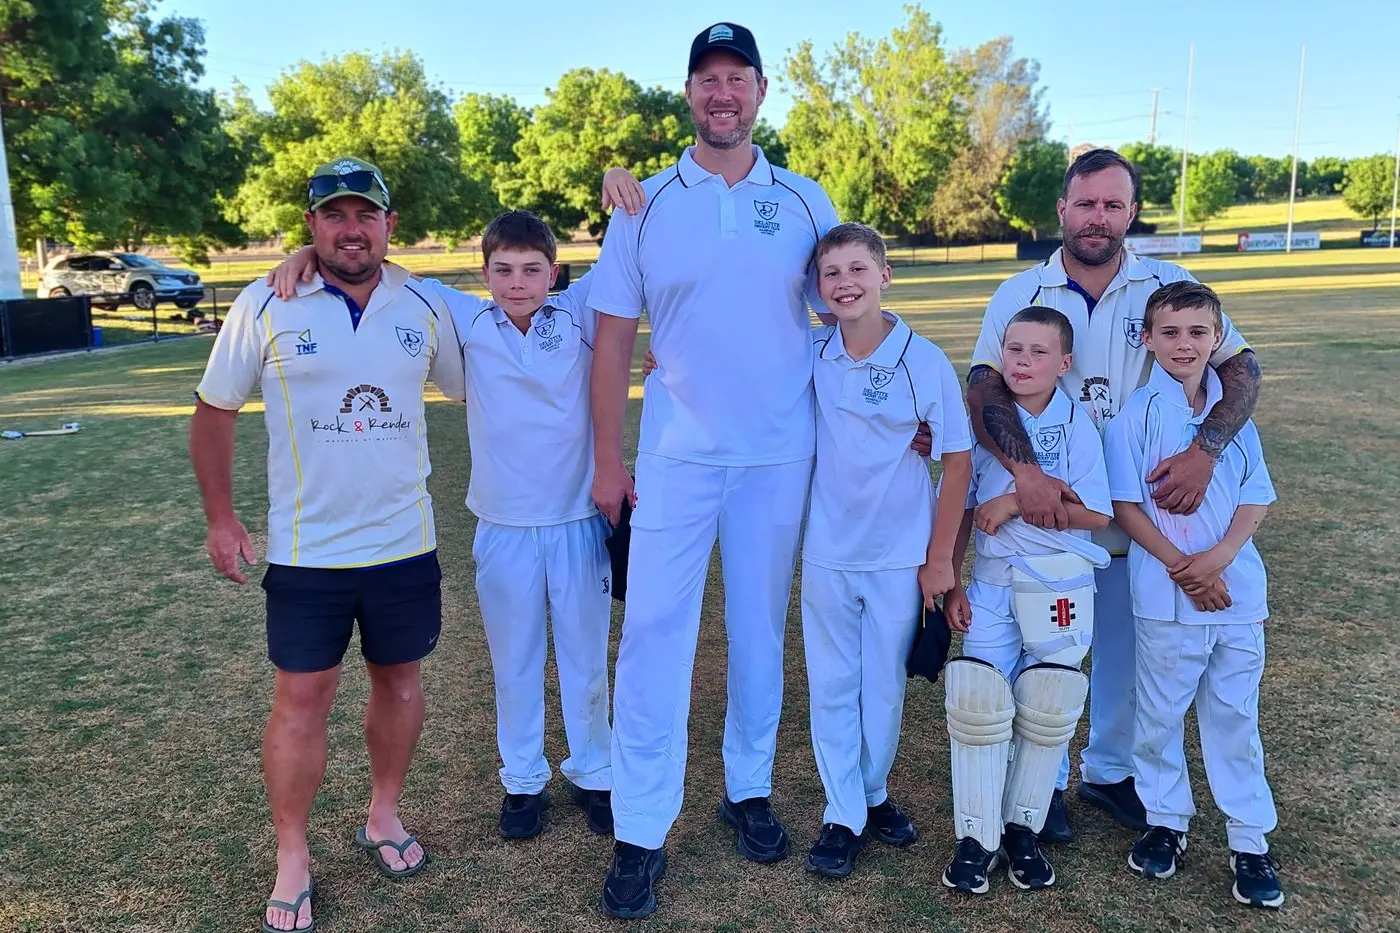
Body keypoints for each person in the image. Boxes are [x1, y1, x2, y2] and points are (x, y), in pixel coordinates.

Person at [587, 22, 840, 920]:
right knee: (655, 633)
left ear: (761, 91)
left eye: (738, 78)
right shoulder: (644, 204)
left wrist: (904, 417)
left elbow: (850, 310)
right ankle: (640, 827)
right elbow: (614, 334)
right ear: (689, 94)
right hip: (677, 460)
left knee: (759, 630)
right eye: (708, 79)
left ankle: (749, 786)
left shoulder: (807, 199)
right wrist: (609, 458)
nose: (722, 92)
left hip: (779, 453)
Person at [268, 210, 614, 841]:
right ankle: (523, 781)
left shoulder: (580, 311)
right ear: (483, 275)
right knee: (514, 662)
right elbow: (371, 263)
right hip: (502, 525)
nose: (518, 283)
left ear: (554, 272)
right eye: (503, 270)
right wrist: (302, 256)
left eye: (533, 270)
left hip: (576, 521)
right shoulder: (463, 314)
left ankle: (594, 773)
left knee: (585, 660)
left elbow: (629, 252)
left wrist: (624, 185)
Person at [190, 158, 465, 933]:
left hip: (405, 543)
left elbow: (488, 377)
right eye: (334, 215)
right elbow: (214, 412)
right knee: (302, 701)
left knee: (401, 682)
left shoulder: (425, 304)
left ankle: (383, 814)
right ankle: (292, 854)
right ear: (310, 226)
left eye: (365, 215)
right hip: (309, 551)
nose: (352, 229)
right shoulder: (265, 302)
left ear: (389, 225)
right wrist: (222, 517)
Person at [965, 148, 1263, 837]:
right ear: (1063, 209)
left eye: (1113, 204)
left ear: (1131, 212)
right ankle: (1044, 782)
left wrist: (1205, 449)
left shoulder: (1169, 282)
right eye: (1086, 203)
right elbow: (983, 386)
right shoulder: (1020, 291)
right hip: (1048, 515)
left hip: (1146, 512)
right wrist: (1026, 475)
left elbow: (1241, 366)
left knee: (1128, 657)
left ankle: (1108, 771)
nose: (1098, 216)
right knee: (1048, 646)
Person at [799, 223, 972, 878]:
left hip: (900, 553)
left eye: (856, 270)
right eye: (831, 273)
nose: (844, 283)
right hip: (828, 552)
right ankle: (844, 812)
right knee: (833, 684)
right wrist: (664, 364)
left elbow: (956, 462)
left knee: (883, 687)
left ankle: (870, 791)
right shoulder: (812, 351)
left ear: (885, 275)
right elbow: (741, 366)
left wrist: (940, 557)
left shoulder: (921, 359)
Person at [1104, 281, 1283, 909]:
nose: (1185, 345)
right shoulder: (1132, 417)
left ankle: (1249, 837)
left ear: (1218, 339)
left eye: (1198, 333)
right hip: (1166, 592)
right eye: (1171, 333)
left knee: (1234, 715)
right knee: (1160, 714)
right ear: (1147, 340)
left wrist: (1219, 561)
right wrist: (1185, 567)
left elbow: (1256, 496)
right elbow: (1125, 506)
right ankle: (1166, 821)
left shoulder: (1231, 419)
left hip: (1235, 591)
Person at [940, 307, 1112, 895]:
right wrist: (954, 578)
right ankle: (975, 833)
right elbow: (960, 503)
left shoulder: (1078, 424)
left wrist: (1016, 501)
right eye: (1014, 350)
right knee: (978, 702)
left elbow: (1098, 514)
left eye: (1039, 353)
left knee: (1047, 706)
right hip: (991, 582)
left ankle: (1024, 828)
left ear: (1064, 363)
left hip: (1060, 585)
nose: (1023, 362)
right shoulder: (985, 424)